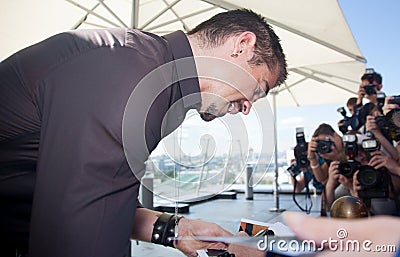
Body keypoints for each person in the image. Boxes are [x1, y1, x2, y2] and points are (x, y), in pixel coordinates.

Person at [0, 9, 287, 257]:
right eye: (258, 89)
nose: (248, 107)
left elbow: (100, 197)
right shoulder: (135, 79)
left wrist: (176, 230)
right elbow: (78, 242)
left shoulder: (151, 73)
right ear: (243, 45)